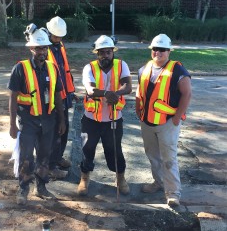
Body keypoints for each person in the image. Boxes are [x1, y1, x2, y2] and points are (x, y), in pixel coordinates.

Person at [8, 24, 66, 205]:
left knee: (44, 154)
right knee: (26, 156)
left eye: (45, 48)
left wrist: (62, 120)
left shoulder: (52, 68)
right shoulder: (20, 69)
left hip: (48, 120)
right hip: (28, 120)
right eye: (39, 48)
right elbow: (13, 98)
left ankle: (41, 187)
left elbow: (57, 95)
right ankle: (24, 188)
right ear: (32, 48)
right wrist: (11, 124)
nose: (42, 51)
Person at [136, 33, 192, 207]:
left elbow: (187, 94)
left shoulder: (178, 71)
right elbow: (140, 92)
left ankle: (173, 192)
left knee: (169, 159)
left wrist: (176, 118)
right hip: (147, 122)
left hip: (167, 123)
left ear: (169, 51)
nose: (157, 53)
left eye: (162, 50)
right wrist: (138, 110)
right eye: (155, 49)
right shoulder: (145, 68)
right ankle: (158, 183)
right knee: (153, 156)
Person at [78, 35, 132, 196]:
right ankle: (84, 178)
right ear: (97, 53)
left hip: (113, 118)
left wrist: (116, 93)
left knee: (114, 150)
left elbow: (128, 86)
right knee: (87, 149)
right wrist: (108, 93)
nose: (105, 55)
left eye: (108, 52)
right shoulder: (89, 68)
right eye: (101, 52)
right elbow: (90, 90)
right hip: (91, 119)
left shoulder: (122, 65)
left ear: (112, 52)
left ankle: (120, 178)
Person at [45, 16, 78, 178]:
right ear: (50, 33)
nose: (58, 39)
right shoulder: (44, 49)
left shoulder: (59, 46)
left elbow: (65, 71)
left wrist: (71, 93)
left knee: (64, 130)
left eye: (60, 36)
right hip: (52, 99)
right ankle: (51, 166)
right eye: (56, 36)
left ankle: (57, 158)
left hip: (64, 95)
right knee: (56, 131)